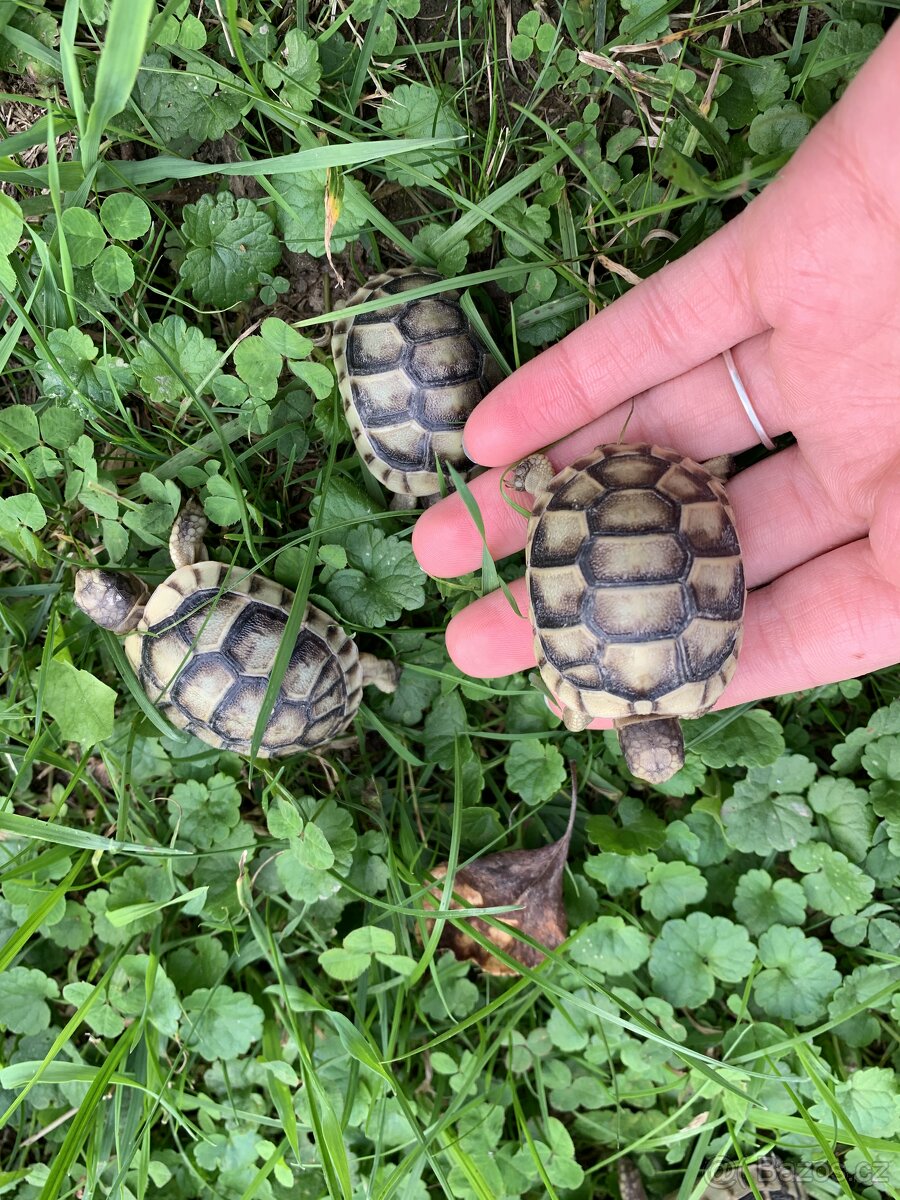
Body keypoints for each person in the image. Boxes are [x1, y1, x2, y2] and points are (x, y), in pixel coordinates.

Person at [412, 21, 900, 726]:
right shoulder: (593, 690)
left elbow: (716, 591)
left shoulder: (702, 682)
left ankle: (585, 485)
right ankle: (544, 490)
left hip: (682, 494)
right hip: (586, 508)